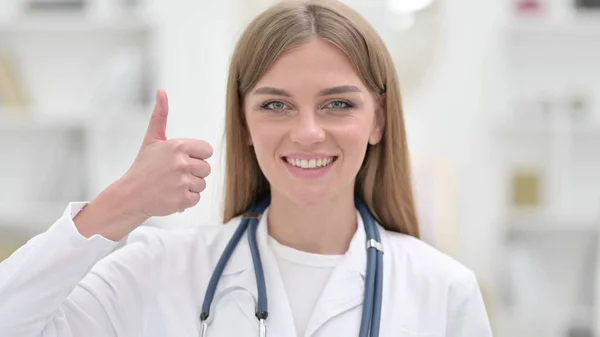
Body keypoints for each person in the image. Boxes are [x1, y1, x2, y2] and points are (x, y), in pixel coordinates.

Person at [0, 0, 493, 336]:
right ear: (242, 121)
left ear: (378, 120)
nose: (307, 133)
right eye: (276, 105)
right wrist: (122, 203)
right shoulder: (161, 269)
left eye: (338, 105)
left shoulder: (443, 290)